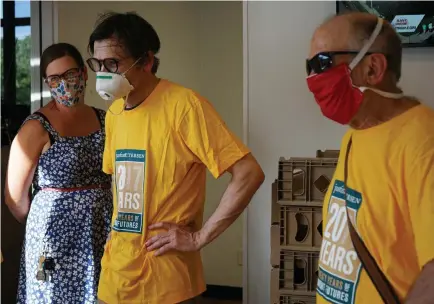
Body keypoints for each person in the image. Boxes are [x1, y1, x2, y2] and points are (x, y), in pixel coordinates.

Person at [86, 12, 264, 304]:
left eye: (113, 64)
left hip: (166, 283)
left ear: (146, 60)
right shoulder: (115, 114)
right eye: (97, 64)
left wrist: (199, 237)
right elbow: (121, 187)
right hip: (115, 277)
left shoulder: (185, 106)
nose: (103, 74)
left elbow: (249, 173)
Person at [306, 12, 434, 304]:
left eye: (322, 63)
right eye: (309, 66)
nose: (312, 79)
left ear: (373, 68)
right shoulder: (355, 135)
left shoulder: (424, 143)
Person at [5, 43, 113, 303]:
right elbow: (14, 198)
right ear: (47, 83)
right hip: (52, 240)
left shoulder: (105, 119)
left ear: (84, 74)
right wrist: (44, 226)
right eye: (54, 79)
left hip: (99, 232)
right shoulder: (36, 126)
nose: (64, 84)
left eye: (70, 75)